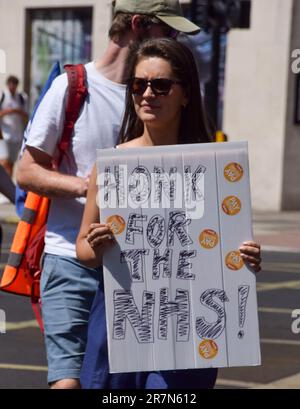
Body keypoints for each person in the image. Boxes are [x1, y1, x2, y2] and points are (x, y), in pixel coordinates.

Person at [16, 0, 201, 389]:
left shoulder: (161, 96)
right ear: (137, 25)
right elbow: (26, 171)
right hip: (71, 258)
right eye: (167, 31)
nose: (173, 40)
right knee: (68, 382)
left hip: (142, 274)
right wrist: (105, 189)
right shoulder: (73, 86)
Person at [76, 38, 262, 389]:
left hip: (187, 331)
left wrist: (246, 256)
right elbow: (82, 250)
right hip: (121, 324)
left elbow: (226, 246)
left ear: (185, 94)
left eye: (160, 85)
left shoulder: (215, 169)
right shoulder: (111, 164)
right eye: (138, 85)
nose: (147, 94)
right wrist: (97, 245)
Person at [0, 75, 28, 177]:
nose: (12, 87)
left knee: (11, 163)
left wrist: (17, 111)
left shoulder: (22, 97)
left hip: (16, 135)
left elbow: (26, 116)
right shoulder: (2, 96)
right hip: (3, 134)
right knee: (5, 161)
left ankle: (7, 187)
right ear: (7, 85)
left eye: (14, 85)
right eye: (10, 84)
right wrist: (7, 111)